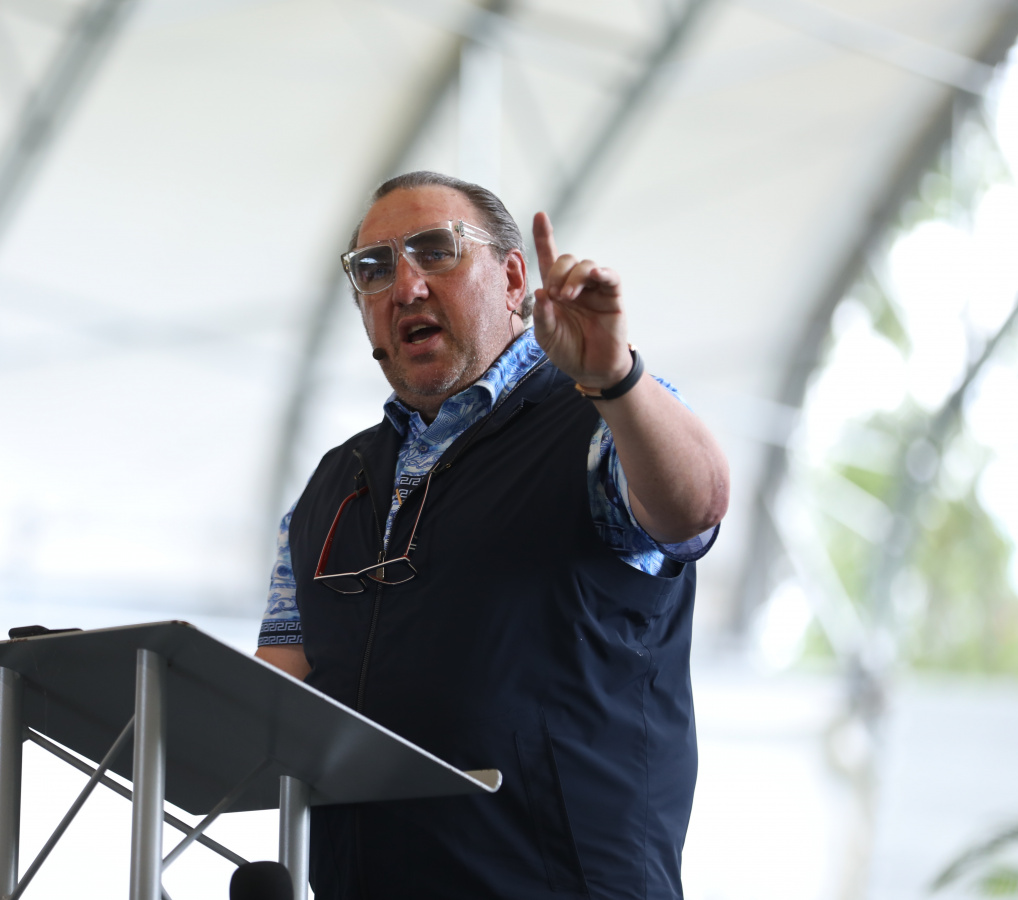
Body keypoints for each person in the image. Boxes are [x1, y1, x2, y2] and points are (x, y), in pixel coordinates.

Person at [255, 171, 729, 900]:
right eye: (374, 269)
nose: (405, 286)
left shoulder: (599, 425)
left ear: (512, 279)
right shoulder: (329, 488)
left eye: (435, 251)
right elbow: (270, 702)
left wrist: (615, 379)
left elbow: (696, 505)